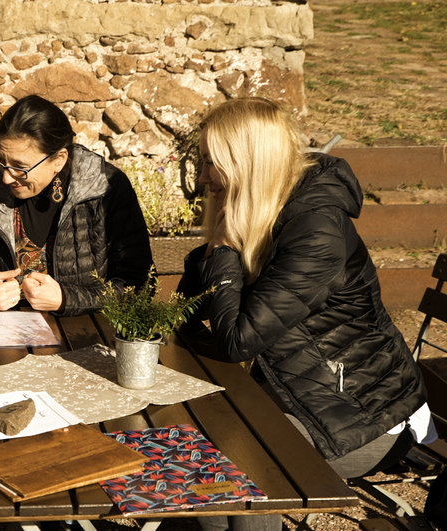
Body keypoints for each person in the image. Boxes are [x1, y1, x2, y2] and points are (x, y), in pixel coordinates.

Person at [178, 97, 433, 531]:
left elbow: (239, 338)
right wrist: (214, 249)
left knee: (245, 468)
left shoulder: (317, 231)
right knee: (202, 460)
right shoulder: (263, 211)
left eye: (211, 164)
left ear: (248, 163)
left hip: (361, 415)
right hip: (295, 392)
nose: (203, 179)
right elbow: (187, 304)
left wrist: (222, 250)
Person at [0, 94, 153, 315]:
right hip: (6, 340)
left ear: (59, 160)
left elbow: (139, 286)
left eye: (20, 167)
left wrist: (67, 299)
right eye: (1, 161)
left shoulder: (106, 191)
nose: (6, 178)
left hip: (90, 338)